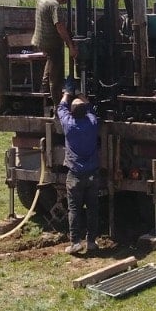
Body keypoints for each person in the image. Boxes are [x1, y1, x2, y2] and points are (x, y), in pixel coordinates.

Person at [57, 86, 102, 255]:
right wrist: (82, 95)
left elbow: (61, 108)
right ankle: (91, 241)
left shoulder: (68, 124)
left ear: (72, 112)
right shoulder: (92, 123)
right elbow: (91, 109)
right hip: (92, 175)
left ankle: (75, 242)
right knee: (93, 208)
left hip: (75, 175)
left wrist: (67, 93)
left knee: (74, 209)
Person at [33, 0, 77, 105]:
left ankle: (44, 86)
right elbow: (60, 28)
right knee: (56, 77)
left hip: (40, 40)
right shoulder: (55, 5)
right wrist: (71, 46)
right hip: (51, 42)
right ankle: (58, 107)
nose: (66, 0)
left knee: (50, 61)